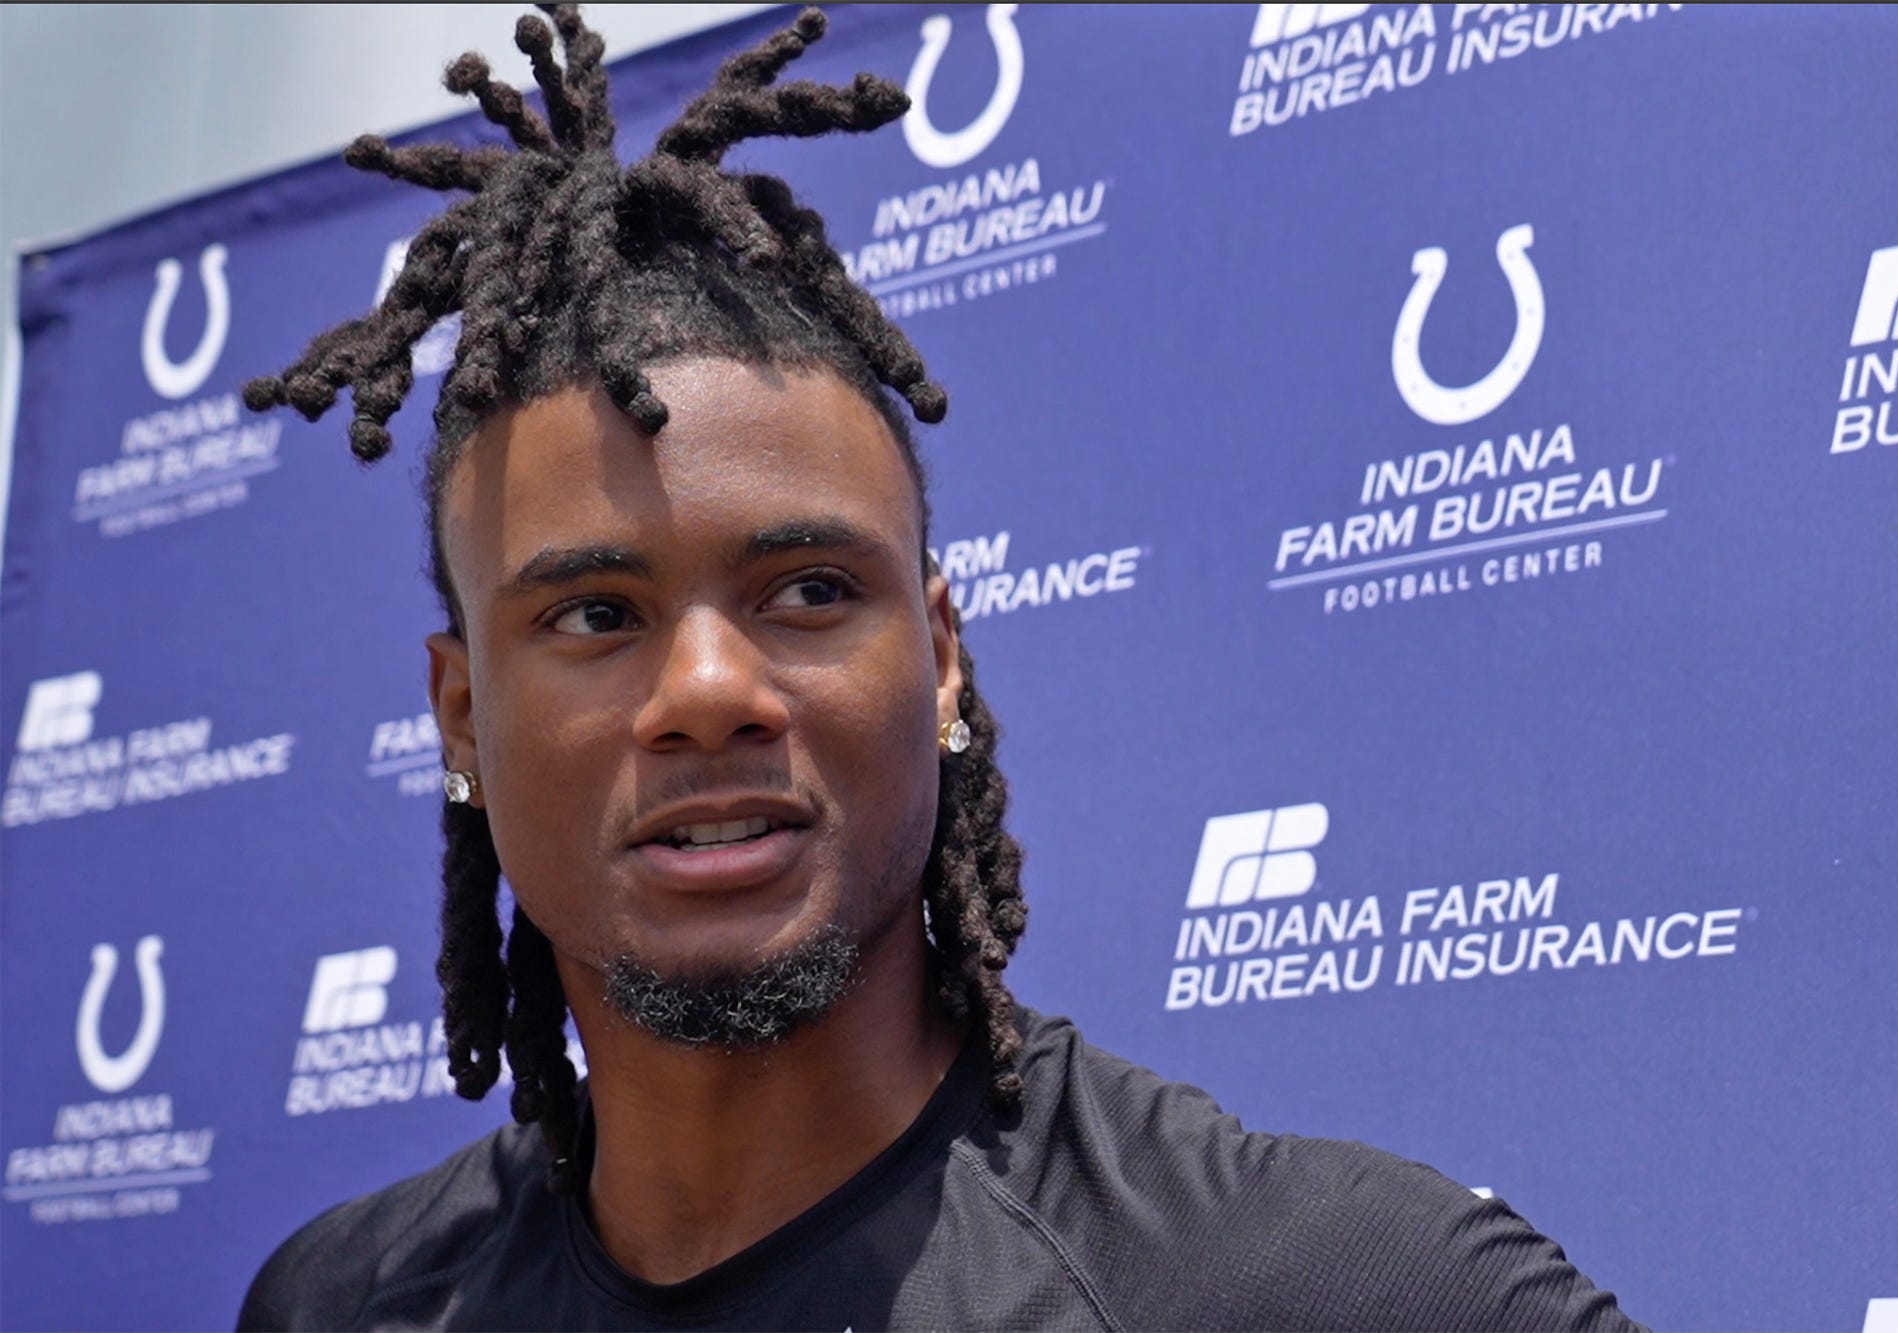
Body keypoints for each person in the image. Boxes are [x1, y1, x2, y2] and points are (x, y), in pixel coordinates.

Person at [233, 8, 1641, 1329]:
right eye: (596, 616)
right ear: (462, 717)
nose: (710, 688)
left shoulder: (1329, 1289)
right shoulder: (343, 1300)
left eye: (810, 590)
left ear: (943, 655)